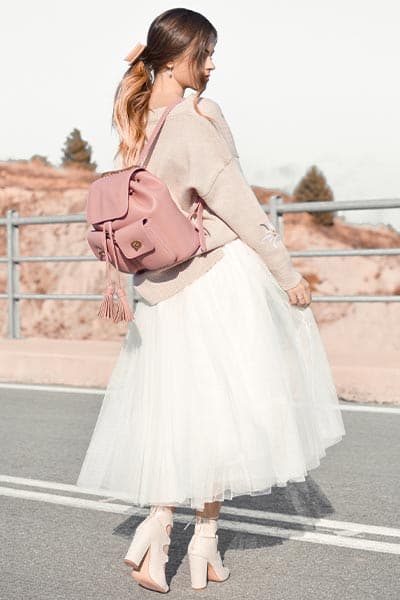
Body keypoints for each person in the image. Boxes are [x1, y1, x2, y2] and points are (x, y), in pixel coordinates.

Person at [76, 7, 346, 594]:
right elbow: (240, 207)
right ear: (176, 59)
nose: (212, 64)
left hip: (159, 292)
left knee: (177, 416)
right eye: (205, 53)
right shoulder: (199, 120)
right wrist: (287, 273)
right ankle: (201, 543)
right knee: (223, 416)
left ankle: (158, 527)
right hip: (213, 280)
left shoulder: (135, 117)